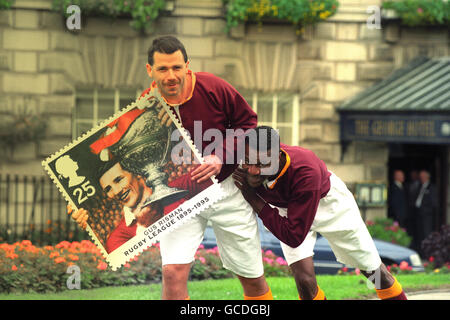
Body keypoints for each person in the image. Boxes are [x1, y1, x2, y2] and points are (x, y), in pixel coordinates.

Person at [141, 36, 271, 300]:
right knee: (172, 273)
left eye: (177, 67)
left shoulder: (213, 86)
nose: (171, 75)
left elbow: (248, 123)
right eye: (163, 69)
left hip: (227, 190)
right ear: (150, 70)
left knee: (252, 276)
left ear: (187, 65)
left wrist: (221, 156)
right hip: (180, 197)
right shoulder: (146, 105)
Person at [233, 126, 407, 300]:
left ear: (277, 157)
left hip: (330, 206)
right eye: (248, 161)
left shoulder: (306, 173)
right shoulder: (244, 161)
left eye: (263, 164)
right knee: (304, 282)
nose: (254, 170)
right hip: (288, 209)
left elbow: (294, 236)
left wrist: (254, 200)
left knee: (375, 274)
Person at [69, 158, 208, 253]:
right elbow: (142, 270)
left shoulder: (181, 187)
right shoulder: (117, 238)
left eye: (119, 180)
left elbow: (218, 186)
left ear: (137, 173)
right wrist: (143, 228)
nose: (116, 191)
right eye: (108, 189)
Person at [413, 170, 437, 255]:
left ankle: (427, 254)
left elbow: (433, 203)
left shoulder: (432, 187)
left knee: (426, 235)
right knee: (419, 235)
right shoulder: (420, 186)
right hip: (418, 215)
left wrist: (425, 210)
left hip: (427, 216)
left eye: (423, 176)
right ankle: (421, 253)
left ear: (427, 177)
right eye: (420, 177)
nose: (421, 178)